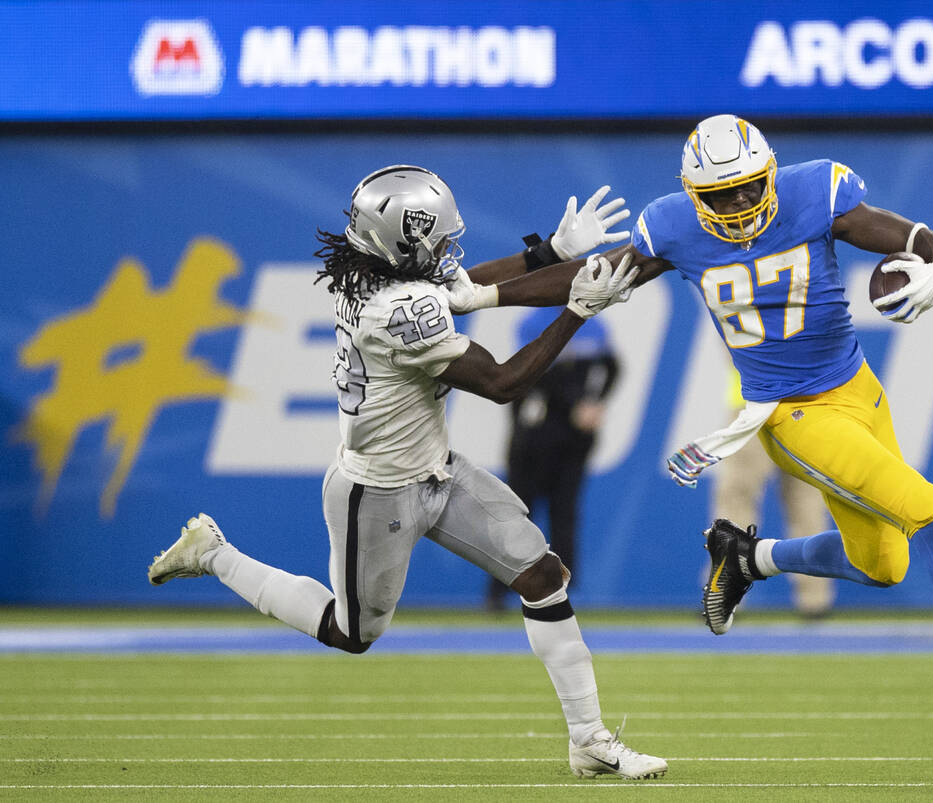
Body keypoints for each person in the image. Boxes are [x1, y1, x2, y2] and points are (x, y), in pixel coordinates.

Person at [448, 115, 933, 720]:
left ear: (769, 173)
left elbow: (900, 232)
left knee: (884, 564)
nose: (739, 204)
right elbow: (586, 276)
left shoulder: (812, 191)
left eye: (747, 187)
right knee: (928, 512)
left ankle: (748, 557)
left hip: (860, 391)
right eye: (720, 195)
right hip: (787, 412)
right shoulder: (673, 225)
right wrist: (476, 292)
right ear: (694, 196)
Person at [147, 165, 667, 779]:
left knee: (542, 574)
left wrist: (552, 256)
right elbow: (502, 382)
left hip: (438, 472)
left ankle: (589, 741)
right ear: (403, 243)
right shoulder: (393, 309)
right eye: (438, 238)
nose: (448, 249)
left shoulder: (380, 274)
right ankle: (213, 554)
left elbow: (470, 286)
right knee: (352, 632)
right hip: (377, 491)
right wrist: (577, 311)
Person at [486, 307, 620, 611]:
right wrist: (581, 405)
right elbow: (534, 376)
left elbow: (612, 365)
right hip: (534, 434)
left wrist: (595, 403)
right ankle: (501, 589)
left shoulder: (591, 324)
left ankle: (562, 590)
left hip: (571, 436)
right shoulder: (533, 323)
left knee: (564, 512)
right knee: (518, 512)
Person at [712, 366, 835, 620]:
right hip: (805, 400)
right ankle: (815, 599)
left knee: (738, 499)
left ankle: (727, 595)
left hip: (755, 400)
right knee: (804, 500)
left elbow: (734, 342)